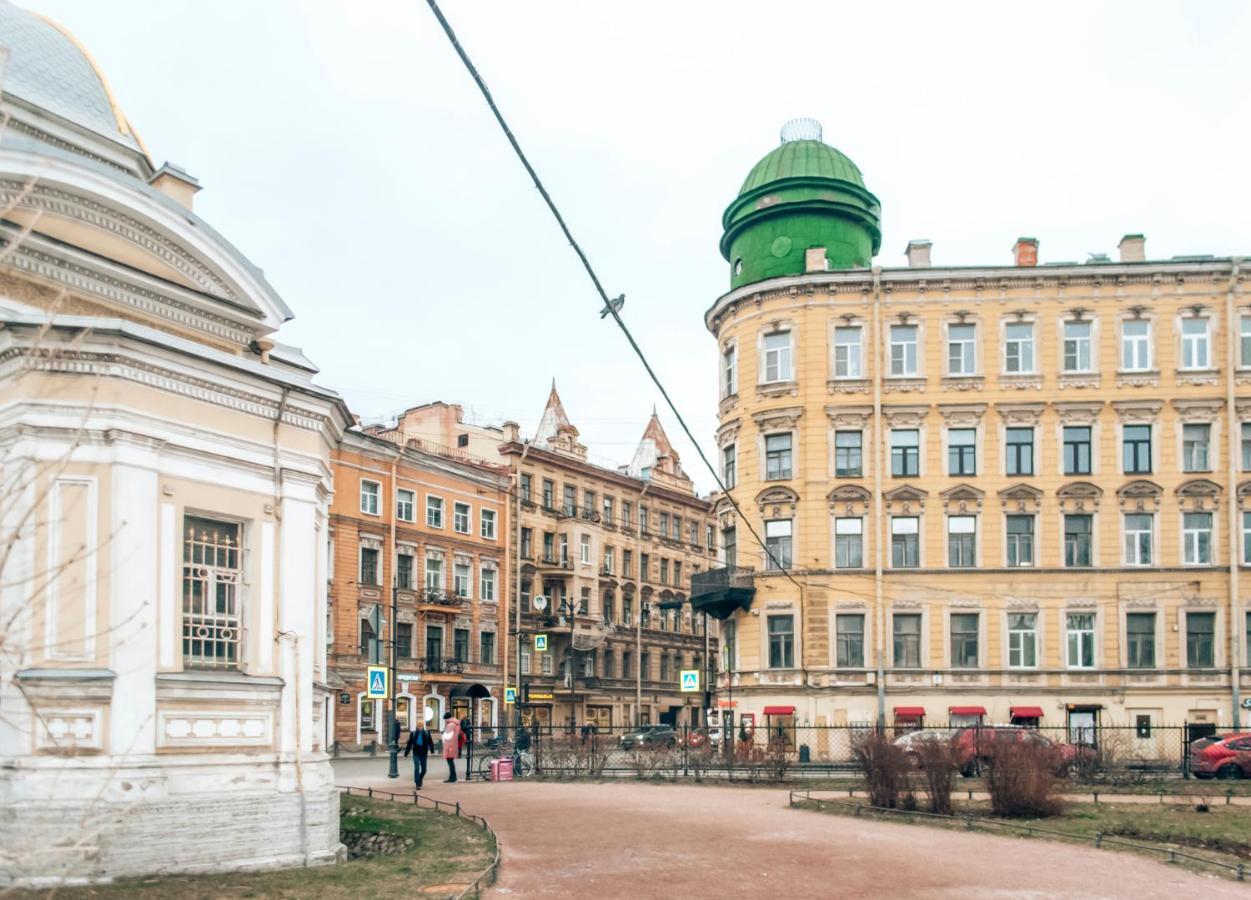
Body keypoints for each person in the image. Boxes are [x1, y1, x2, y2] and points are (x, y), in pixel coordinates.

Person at [403, 716, 433, 790]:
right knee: (416, 768)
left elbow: (431, 742)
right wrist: (406, 754)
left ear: (423, 726)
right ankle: (417, 784)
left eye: (421, 726)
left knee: (424, 769)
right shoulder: (413, 733)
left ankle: (419, 778)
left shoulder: (426, 733)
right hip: (416, 753)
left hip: (424, 753)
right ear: (417, 726)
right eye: (419, 726)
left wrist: (432, 751)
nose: (420, 727)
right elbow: (409, 744)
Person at [440, 712, 462, 783]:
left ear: (447, 718)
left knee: (450, 762)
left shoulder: (451, 725)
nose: (445, 721)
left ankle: (452, 778)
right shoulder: (456, 723)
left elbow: (447, 736)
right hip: (453, 745)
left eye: (445, 719)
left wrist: (442, 733)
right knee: (451, 762)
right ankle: (452, 777)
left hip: (449, 746)